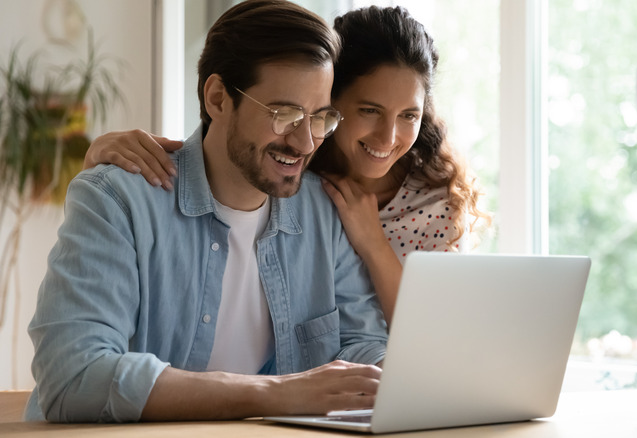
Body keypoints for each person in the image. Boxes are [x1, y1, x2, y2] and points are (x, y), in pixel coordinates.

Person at [26, 0, 387, 423]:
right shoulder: (117, 201)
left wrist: (399, 376)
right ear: (217, 98)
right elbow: (73, 375)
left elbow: (360, 342)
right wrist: (274, 393)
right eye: (284, 114)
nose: (306, 142)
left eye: (320, 118)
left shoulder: (324, 212)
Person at [84, 6, 489, 325]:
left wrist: (373, 243)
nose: (388, 138)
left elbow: (438, 338)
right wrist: (102, 153)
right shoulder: (295, 171)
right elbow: (229, 144)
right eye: (368, 110)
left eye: (409, 116)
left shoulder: (435, 203)